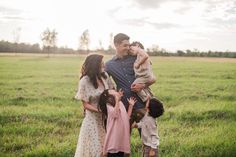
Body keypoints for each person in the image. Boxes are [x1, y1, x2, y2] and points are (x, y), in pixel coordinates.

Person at [105, 33, 156, 125]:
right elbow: (103, 84)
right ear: (116, 45)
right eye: (125, 45)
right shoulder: (109, 65)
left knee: (148, 136)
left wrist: (143, 85)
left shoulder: (136, 58)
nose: (128, 48)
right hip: (124, 106)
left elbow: (153, 79)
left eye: (129, 45)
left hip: (142, 104)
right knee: (124, 136)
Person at [74, 54, 114, 157]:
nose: (103, 65)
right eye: (101, 63)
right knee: (96, 150)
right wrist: (100, 110)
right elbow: (85, 105)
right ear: (94, 65)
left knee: (106, 149)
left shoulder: (104, 76)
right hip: (92, 121)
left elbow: (112, 91)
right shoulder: (85, 81)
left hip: (106, 119)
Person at [98, 89, 136, 157]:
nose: (115, 90)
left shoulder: (120, 103)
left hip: (121, 136)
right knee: (113, 152)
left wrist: (130, 106)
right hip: (114, 136)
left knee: (120, 153)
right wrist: (117, 101)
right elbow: (115, 115)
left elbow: (126, 118)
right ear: (108, 95)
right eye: (112, 90)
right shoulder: (109, 104)